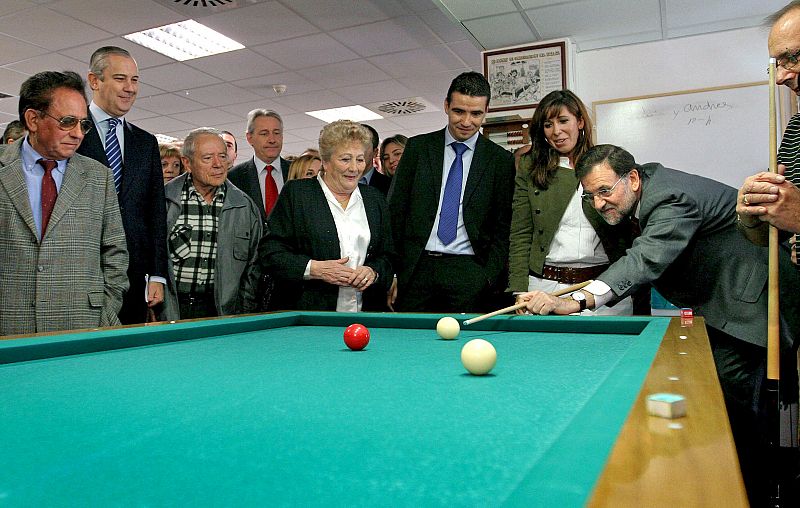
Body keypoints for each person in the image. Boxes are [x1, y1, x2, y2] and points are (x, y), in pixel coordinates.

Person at [519, 144, 800, 505]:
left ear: (633, 179)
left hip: (751, 305)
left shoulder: (670, 196)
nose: (599, 203)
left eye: (605, 191)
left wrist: (575, 301)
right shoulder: (638, 195)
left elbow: (644, 259)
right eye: (591, 196)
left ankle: (747, 493)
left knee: (736, 413)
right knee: (729, 409)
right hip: (729, 304)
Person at [0, 71, 129, 335]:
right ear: (33, 119)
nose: (78, 134)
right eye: (67, 122)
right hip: (9, 323)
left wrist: (105, 311)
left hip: (82, 322)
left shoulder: (99, 177)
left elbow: (115, 252)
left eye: (84, 124)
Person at [388, 71, 515, 313]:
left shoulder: (500, 160)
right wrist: (394, 272)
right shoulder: (417, 148)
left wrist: (488, 276)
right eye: (459, 111)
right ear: (446, 106)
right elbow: (396, 212)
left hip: (470, 273)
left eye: (476, 113)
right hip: (416, 270)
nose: (466, 122)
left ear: (486, 111)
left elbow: (503, 227)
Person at [508, 90, 634, 315]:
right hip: (545, 287)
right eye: (548, 125)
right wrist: (519, 288)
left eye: (563, 121)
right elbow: (521, 231)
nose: (556, 131)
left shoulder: (607, 163)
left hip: (601, 287)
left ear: (580, 122)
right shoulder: (530, 166)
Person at [76, 46, 168, 325]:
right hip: (81, 270)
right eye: (120, 78)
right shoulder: (72, 134)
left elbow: (156, 214)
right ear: (94, 81)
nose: (130, 88)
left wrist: (157, 274)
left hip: (134, 277)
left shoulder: (146, 143)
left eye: (135, 80)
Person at [263, 120, 393, 311]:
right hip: (310, 314)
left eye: (359, 159)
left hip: (366, 314)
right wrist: (314, 269)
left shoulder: (374, 198)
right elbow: (270, 252)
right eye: (345, 159)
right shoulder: (298, 194)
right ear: (325, 162)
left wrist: (372, 272)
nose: (354, 168)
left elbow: (388, 256)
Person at [161, 128, 262, 320]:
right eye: (208, 158)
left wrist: (244, 309)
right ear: (187, 163)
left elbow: (254, 266)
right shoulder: (164, 199)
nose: (218, 164)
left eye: (222, 156)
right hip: (172, 310)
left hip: (223, 313)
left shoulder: (244, 206)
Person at [738, 2, 800, 236]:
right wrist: (751, 215)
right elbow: (770, 236)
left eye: (791, 58)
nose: (779, 78)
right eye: (776, 66)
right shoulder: (796, 129)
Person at [228, 109, 291, 226]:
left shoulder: (296, 171)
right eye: (264, 134)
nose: (272, 140)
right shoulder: (233, 177)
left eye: (276, 133)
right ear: (249, 138)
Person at [359, 124, 391, 195]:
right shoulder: (336, 182)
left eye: (364, 147)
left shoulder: (390, 186)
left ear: (375, 152)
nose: (357, 152)